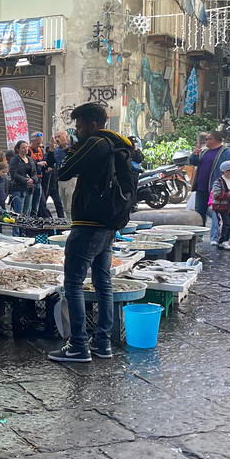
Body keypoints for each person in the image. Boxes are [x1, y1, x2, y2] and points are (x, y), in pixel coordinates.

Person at [52, 103, 139, 363]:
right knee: (103, 282)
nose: (77, 131)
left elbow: (64, 171)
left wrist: (74, 147)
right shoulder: (118, 143)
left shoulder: (95, 143)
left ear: (91, 124)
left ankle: (78, 345)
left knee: (74, 284)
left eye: (79, 126)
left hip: (89, 223)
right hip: (109, 224)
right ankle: (103, 343)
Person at [189, 131, 230, 242]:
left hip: (216, 190)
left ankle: (224, 237)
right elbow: (193, 162)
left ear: (216, 140)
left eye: (208, 139)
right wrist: (194, 155)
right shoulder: (204, 152)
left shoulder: (226, 152)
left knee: (221, 214)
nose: (206, 141)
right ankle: (198, 237)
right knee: (199, 213)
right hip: (202, 188)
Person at [8, 140, 36, 233]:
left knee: (26, 212)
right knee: (18, 213)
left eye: (26, 147)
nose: (25, 149)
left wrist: (33, 180)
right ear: (18, 149)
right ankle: (16, 233)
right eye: (23, 147)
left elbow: (35, 173)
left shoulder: (30, 160)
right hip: (18, 189)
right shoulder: (15, 160)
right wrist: (26, 180)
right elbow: (13, 174)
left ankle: (24, 232)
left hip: (29, 189)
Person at [53, 130, 74, 218]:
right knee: (64, 206)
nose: (57, 139)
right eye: (56, 137)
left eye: (59, 136)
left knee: (70, 206)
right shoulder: (56, 150)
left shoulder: (72, 147)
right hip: (60, 180)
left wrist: (66, 147)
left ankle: (73, 226)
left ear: (66, 137)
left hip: (71, 179)